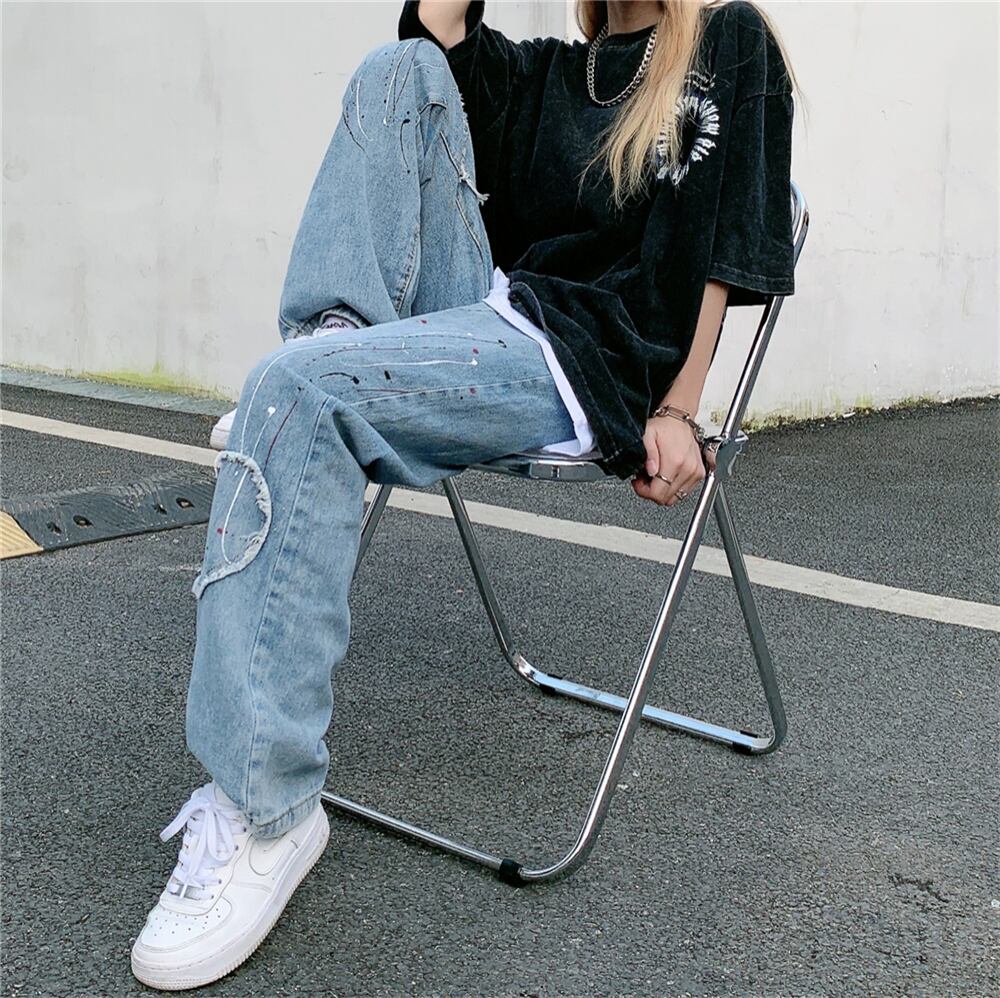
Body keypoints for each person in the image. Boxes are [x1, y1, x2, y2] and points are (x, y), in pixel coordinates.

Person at [130, 0, 797, 989]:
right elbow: (434, 33)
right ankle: (330, 342)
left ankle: (266, 813)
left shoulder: (725, 39)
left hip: (593, 359)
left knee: (290, 399)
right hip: (486, 308)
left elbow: (735, 240)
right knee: (397, 71)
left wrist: (682, 403)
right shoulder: (549, 72)